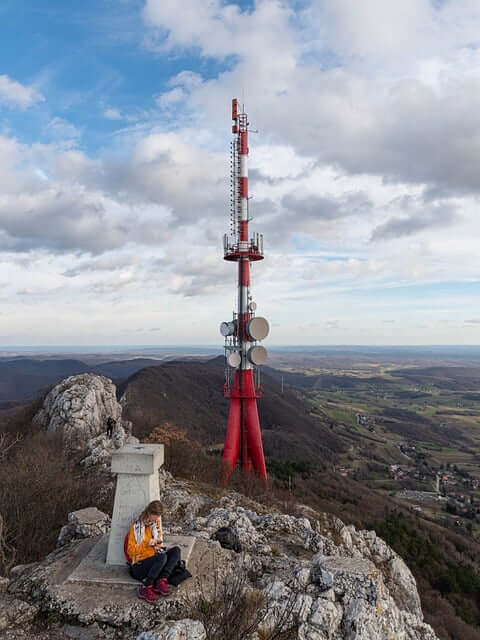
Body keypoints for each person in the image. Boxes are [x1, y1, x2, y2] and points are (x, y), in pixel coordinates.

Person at [126, 500, 181, 604]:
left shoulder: (155, 525)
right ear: (149, 513)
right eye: (155, 515)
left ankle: (162, 580)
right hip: (139, 565)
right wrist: (146, 544)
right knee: (162, 557)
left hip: (154, 560)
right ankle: (146, 587)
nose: (157, 518)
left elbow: (158, 546)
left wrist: (157, 543)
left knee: (176, 551)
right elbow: (131, 552)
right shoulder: (135, 527)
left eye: (158, 515)